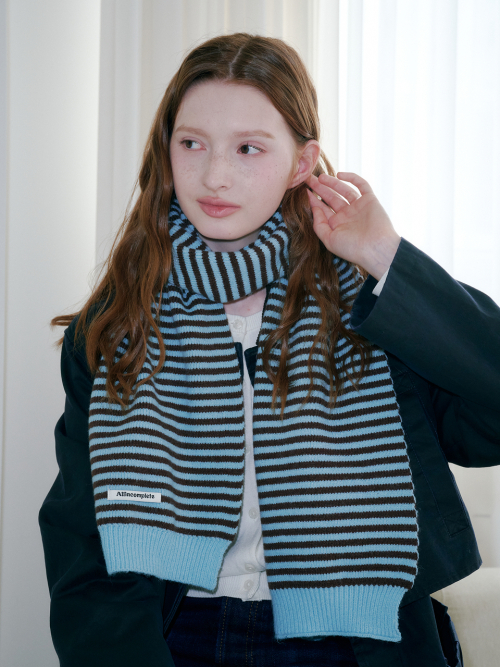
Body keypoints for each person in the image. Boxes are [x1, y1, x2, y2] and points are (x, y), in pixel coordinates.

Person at [39, 33, 500, 667]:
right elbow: (82, 541)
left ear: (301, 163)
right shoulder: (119, 323)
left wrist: (385, 256)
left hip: (354, 643)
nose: (214, 175)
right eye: (192, 143)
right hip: (171, 637)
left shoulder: (373, 310)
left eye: (248, 148)